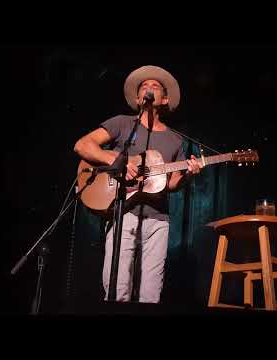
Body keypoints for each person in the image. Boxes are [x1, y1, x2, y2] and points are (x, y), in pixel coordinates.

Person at [74, 65, 203, 303]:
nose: (149, 88)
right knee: (117, 289)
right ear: (137, 97)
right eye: (144, 86)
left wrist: (189, 174)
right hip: (124, 212)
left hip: (158, 221)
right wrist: (116, 159)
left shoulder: (175, 139)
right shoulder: (122, 123)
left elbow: (172, 183)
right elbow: (83, 145)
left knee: (151, 294)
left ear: (164, 99)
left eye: (155, 86)